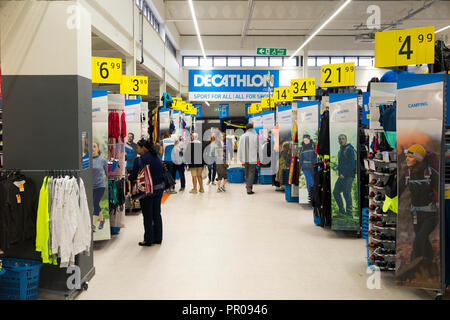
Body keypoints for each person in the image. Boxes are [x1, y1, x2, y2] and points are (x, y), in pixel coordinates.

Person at [397, 144, 440, 279]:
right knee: (423, 239)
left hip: (431, 214)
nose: (407, 159)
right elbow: (397, 190)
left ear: (418, 159)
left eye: (410, 157)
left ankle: (412, 269)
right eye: (407, 156)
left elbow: (442, 190)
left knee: (419, 239)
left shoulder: (431, 173)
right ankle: (430, 265)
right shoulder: (407, 175)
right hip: (415, 214)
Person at [129, 139, 165, 246]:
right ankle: (158, 238)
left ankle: (148, 239)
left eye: (138, 147)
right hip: (159, 189)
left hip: (147, 192)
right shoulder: (156, 156)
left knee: (147, 215)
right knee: (157, 213)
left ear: (143, 148)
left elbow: (133, 176)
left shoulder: (139, 160)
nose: (137, 149)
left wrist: (129, 179)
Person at [332, 134, 356, 216]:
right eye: (340, 139)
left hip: (348, 176)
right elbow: (344, 164)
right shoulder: (341, 150)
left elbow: (352, 164)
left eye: (343, 139)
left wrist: (344, 174)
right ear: (338, 141)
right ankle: (342, 211)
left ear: (346, 140)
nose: (341, 140)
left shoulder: (349, 149)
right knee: (335, 192)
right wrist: (337, 167)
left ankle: (349, 214)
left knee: (347, 193)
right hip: (342, 175)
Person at [238, 123, 259, 195]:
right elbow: (258, 148)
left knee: (246, 172)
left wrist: (240, 157)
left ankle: (248, 186)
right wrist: (260, 157)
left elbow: (239, 148)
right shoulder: (255, 136)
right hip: (253, 158)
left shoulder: (242, 136)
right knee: (251, 173)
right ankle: (249, 188)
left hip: (245, 157)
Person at [92, 142, 107, 231]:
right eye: (91, 147)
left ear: (98, 148)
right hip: (90, 186)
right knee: (96, 204)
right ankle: (102, 220)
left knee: (95, 203)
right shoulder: (87, 160)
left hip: (100, 186)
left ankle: (93, 225)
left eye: (94, 146)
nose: (92, 148)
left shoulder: (103, 160)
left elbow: (107, 173)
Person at [299, 134, 317, 202]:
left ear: (309, 139)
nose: (305, 141)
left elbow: (316, 156)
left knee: (312, 181)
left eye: (306, 140)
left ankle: (312, 195)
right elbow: (300, 159)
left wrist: (314, 162)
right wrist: (299, 168)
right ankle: (311, 195)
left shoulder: (313, 146)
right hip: (305, 167)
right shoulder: (302, 148)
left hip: (313, 167)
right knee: (309, 181)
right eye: (304, 140)